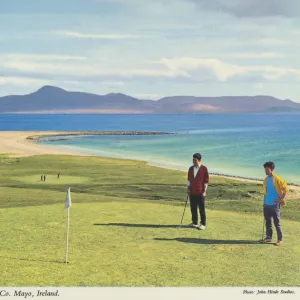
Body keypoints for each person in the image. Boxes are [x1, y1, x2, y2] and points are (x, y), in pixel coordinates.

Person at [262, 161, 288, 246]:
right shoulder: (265, 180)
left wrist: (281, 199)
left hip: (275, 205)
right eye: (265, 169)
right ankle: (268, 237)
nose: (265, 171)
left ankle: (280, 240)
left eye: (267, 169)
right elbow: (266, 191)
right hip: (266, 204)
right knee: (268, 221)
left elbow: (285, 189)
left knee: (277, 222)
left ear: (272, 169)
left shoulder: (277, 178)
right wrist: (264, 202)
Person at [187, 153, 209, 230]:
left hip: (200, 192)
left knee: (201, 209)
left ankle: (203, 223)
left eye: (195, 160)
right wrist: (188, 188)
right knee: (193, 208)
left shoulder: (204, 169)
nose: (193, 161)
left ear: (199, 160)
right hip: (192, 192)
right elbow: (189, 180)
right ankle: (194, 222)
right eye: (193, 160)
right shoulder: (190, 169)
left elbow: (206, 181)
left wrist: (204, 191)